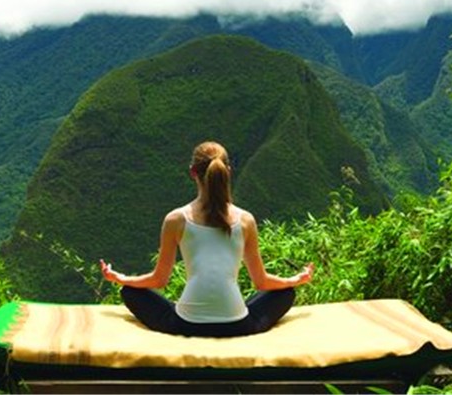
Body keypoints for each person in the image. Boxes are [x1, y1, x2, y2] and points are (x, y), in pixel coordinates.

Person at [99, 140, 314, 337]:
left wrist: (121, 278)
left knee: (130, 292)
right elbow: (261, 282)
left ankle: (185, 307)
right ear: (227, 172)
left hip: (185, 324)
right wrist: (294, 280)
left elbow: (159, 280)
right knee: (285, 293)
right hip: (238, 325)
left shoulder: (176, 219)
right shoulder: (246, 220)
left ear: (193, 172)